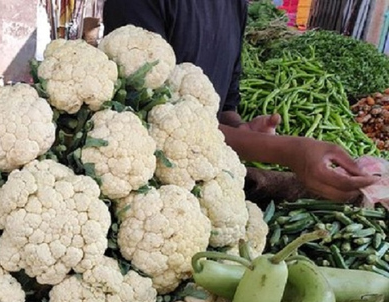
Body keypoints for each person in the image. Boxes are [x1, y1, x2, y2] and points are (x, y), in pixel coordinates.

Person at [102, 0, 379, 203]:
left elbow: (226, 102)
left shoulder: (234, 5)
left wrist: (242, 130)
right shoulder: (135, 4)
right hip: (150, 190)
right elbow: (146, 116)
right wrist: (285, 151)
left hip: (208, 180)